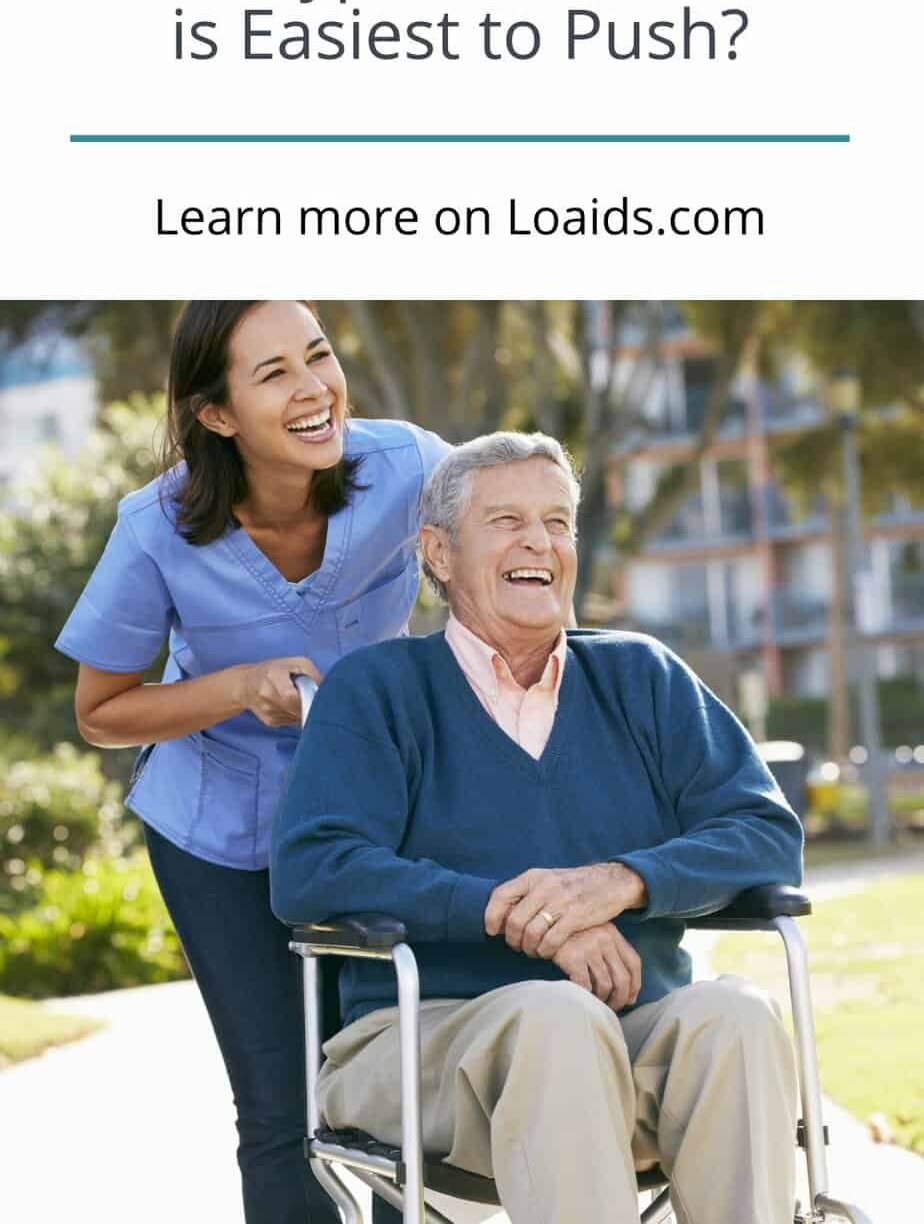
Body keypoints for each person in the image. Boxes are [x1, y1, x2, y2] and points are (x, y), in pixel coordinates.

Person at [271, 431, 804, 1224]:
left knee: (736, 1015)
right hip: (421, 1047)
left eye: (559, 522)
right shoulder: (377, 691)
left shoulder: (641, 677)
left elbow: (764, 830)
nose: (540, 543)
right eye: (508, 521)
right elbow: (314, 867)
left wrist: (617, 883)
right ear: (439, 555)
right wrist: (520, 916)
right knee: (557, 1018)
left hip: (625, 1041)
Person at [55, 300, 443, 1224]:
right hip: (216, 837)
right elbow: (102, 712)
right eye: (273, 374)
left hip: (368, 821)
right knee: (280, 1110)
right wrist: (237, 687)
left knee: (390, 1089)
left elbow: (494, 562)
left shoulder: (413, 469)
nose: (314, 389)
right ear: (216, 414)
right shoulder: (154, 529)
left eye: (318, 355)